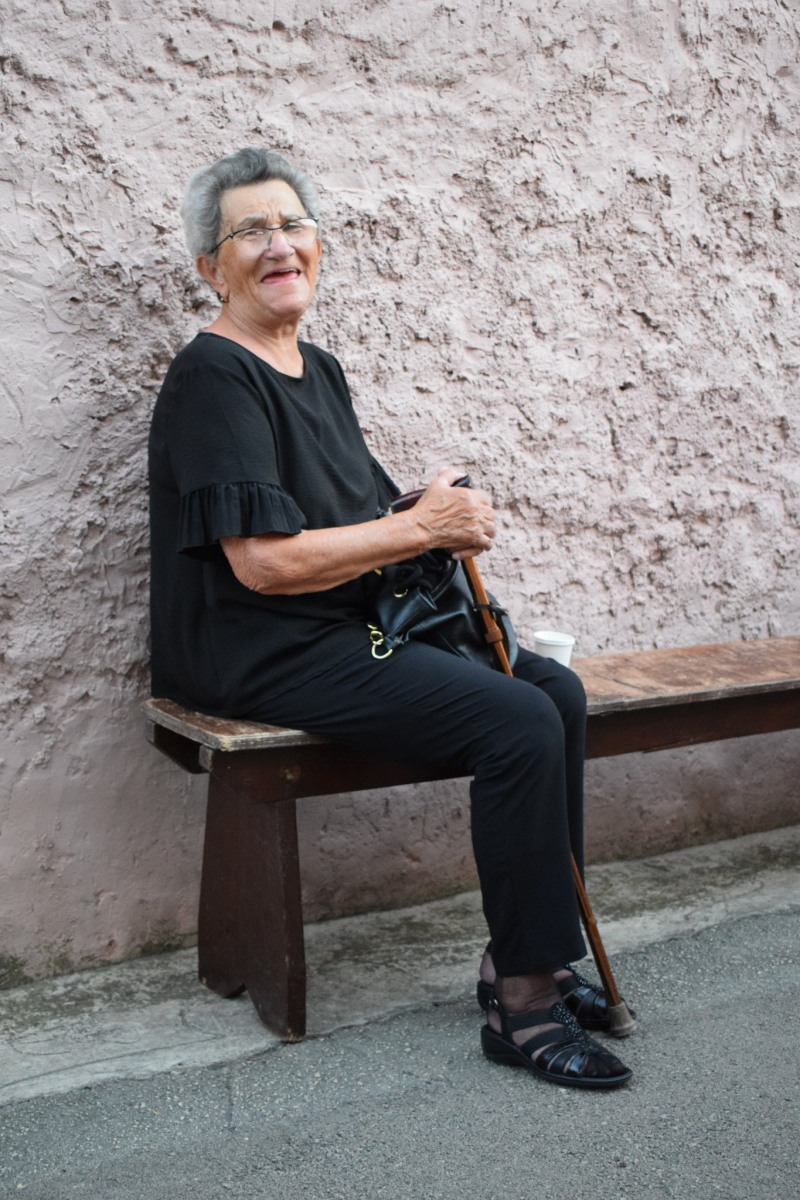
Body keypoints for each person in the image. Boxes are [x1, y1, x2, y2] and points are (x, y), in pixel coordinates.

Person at [149, 147, 633, 1089]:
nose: (279, 245)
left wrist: (425, 509)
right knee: (517, 719)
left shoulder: (318, 369)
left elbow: (352, 519)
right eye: (250, 231)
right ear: (211, 267)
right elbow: (264, 563)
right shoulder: (214, 377)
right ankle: (524, 1005)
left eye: (293, 224)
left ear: (318, 247)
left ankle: (525, 952)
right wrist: (418, 527)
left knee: (556, 693)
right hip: (259, 648)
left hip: (341, 629)